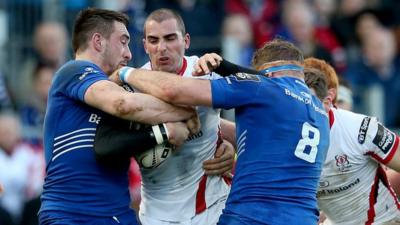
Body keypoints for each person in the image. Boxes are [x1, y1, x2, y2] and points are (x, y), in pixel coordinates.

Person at [112, 38, 330, 224]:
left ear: (267, 74)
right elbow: (266, 137)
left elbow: (173, 91)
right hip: (303, 217)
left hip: (253, 215)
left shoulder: (262, 87)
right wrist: (220, 141)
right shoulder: (320, 112)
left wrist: (125, 73)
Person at [38, 8, 198, 225]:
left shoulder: (123, 90)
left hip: (118, 216)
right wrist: (187, 113)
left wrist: (221, 144)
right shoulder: (74, 71)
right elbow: (123, 104)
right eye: (123, 41)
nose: (128, 53)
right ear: (98, 42)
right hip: (72, 214)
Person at [95, 8, 236, 225]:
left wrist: (235, 149)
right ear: (144, 46)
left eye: (170, 38)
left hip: (214, 205)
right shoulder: (129, 88)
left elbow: (259, 111)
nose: (162, 48)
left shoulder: (206, 72)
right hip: (157, 215)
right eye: (153, 40)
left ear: (186, 41)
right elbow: (106, 146)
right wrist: (160, 133)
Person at [304, 57, 400, 225]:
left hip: (385, 220)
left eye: (307, 101)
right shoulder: (284, 139)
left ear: (328, 99)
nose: (299, 110)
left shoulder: (362, 128)